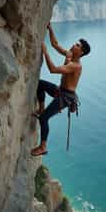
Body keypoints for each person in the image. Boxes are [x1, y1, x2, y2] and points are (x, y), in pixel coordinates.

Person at [31, 23, 91, 156]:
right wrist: (50, 29)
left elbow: (53, 70)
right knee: (40, 84)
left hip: (65, 97)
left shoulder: (76, 66)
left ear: (81, 52)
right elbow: (55, 44)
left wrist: (45, 53)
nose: (74, 45)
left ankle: (43, 146)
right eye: (76, 43)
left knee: (44, 119)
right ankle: (41, 109)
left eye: (78, 45)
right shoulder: (70, 55)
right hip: (61, 90)